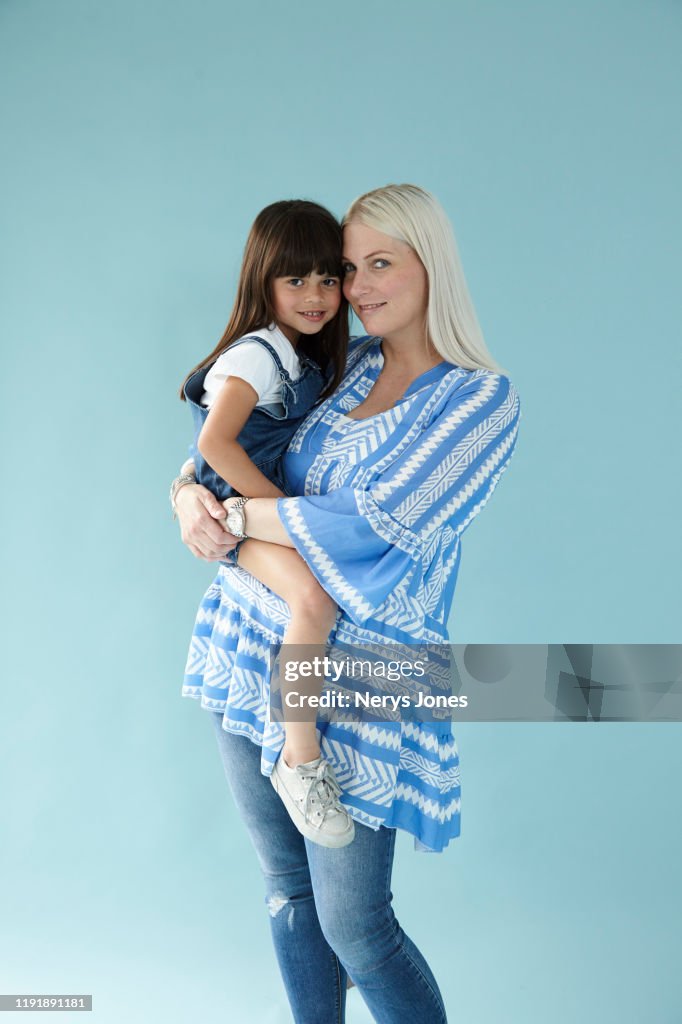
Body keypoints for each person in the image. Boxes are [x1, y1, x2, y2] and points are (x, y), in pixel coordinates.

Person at [173, 184, 521, 1022]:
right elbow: (253, 448)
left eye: (379, 264)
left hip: (364, 682)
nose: (356, 290)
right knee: (289, 892)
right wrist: (185, 490)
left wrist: (232, 514)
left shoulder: (480, 400)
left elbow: (372, 526)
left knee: (358, 925)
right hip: (254, 637)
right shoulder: (345, 364)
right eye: (345, 268)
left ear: (429, 266)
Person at [176, 199, 356, 847]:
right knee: (313, 596)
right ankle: (298, 758)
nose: (316, 295)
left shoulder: (299, 355)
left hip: (246, 511)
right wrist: (274, 511)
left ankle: (296, 752)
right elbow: (217, 445)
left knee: (315, 594)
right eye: (295, 280)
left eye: (328, 279)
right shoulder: (258, 355)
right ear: (263, 282)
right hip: (237, 514)